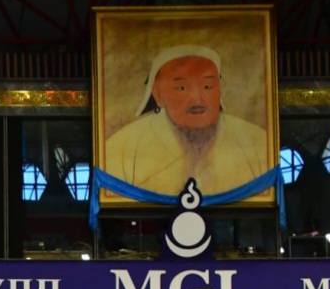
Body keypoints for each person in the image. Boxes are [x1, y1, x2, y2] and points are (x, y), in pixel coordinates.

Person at [104, 47, 269, 195]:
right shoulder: (121, 147)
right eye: (181, 88)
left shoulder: (257, 141)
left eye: (207, 86)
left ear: (220, 89)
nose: (197, 99)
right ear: (157, 94)